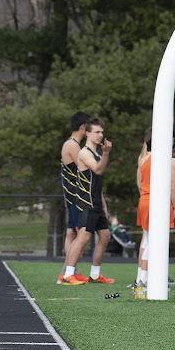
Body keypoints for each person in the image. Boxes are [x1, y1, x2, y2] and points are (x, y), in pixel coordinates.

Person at [61, 117, 115, 285]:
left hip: (96, 203)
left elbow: (98, 183)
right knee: (83, 237)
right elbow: (98, 170)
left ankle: (95, 274)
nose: (100, 135)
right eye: (97, 132)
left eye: (102, 132)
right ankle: (68, 274)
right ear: (88, 133)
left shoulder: (97, 154)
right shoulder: (84, 153)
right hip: (86, 203)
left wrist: (104, 205)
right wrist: (106, 153)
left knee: (104, 237)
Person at [135, 127, 175, 289]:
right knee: (155, 241)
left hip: (144, 200)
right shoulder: (170, 161)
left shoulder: (143, 159)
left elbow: (140, 184)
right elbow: (173, 187)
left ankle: (141, 277)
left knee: (146, 240)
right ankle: (147, 279)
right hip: (158, 202)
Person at [58, 111, 90, 284]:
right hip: (74, 195)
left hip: (72, 195)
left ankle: (68, 270)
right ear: (83, 127)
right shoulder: (72, 145)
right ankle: (67, 272)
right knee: (77, 234)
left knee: (72, 233)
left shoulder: (72, 144)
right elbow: (84, 167)